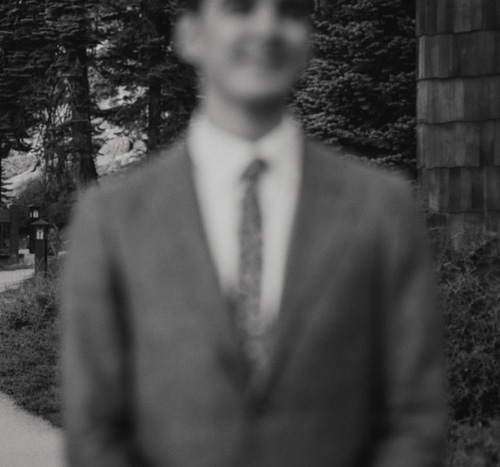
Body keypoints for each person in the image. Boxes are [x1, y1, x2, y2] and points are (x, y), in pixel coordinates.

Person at [61, 0, 446, 466]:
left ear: (306, 41)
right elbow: (93, 430)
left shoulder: (381, 208)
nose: (267, 28)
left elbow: (416, 420)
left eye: (287, 11)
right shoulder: (111, 220)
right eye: (241, 8)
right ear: (191, 35)